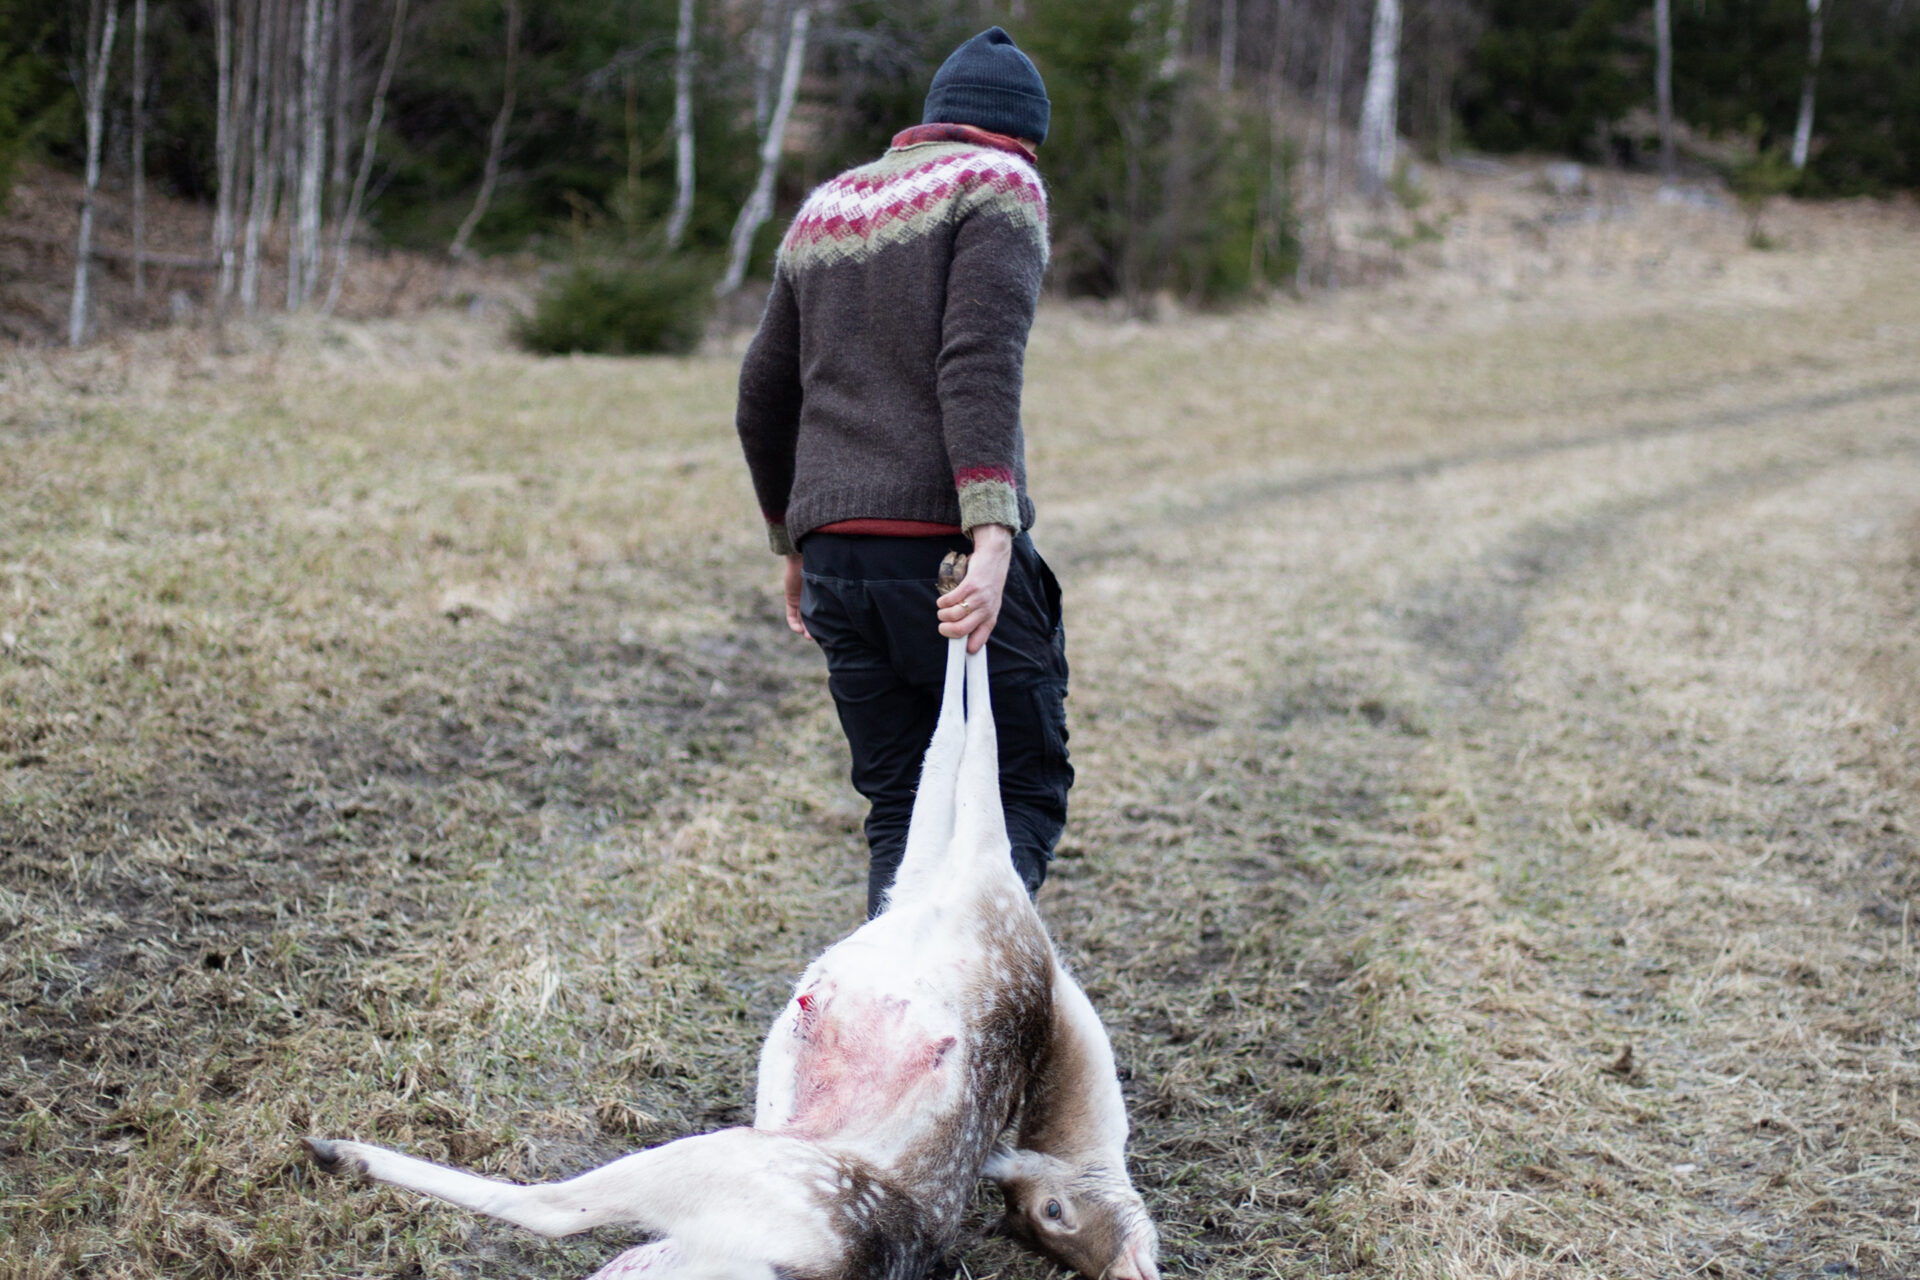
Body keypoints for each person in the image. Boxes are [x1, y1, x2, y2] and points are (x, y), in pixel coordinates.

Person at [734, 27, 1071, 918]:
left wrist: (794, 539)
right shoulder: (1002, 185)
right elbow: (977, 360)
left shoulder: (828, 206)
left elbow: (762, 392)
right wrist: (993, 536)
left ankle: (893, 1022)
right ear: (1023, 136)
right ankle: (968, 1018)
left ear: (931, 121)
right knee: (1015, 799)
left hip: (839, 564)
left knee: (900, 807)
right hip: (946, 559)